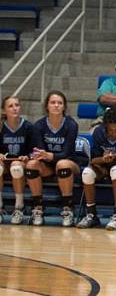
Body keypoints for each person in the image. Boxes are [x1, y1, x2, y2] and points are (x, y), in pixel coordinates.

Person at [77, 108, 116, 230]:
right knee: (87, 173)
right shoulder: (98, 132)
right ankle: (91, 213)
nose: (113, 133)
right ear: (105, 126)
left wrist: (113, 156)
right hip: (103, 166)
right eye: (110, 130)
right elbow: (93, 160)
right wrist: (104, 159)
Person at [26, 91, 80, 227]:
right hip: (48, 165)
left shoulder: (71, 124)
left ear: (64, 107)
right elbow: (40, 151)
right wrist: (42, 156)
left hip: (69, 162)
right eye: (53, 102)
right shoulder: (38, 125)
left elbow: (67, 152)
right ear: (47, 106)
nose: (56, 105)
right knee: (32, 164)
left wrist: (50, 156)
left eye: (59, 103)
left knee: (62, 164)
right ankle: (37, 208)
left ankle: (67, 208)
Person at [0, 96, 32, 225]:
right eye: (11, 106)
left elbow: (35, 149)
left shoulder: (28, 127)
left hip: (20, 164)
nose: (14, 108)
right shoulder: (1, 127)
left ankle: (19, 207)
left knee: (16, 166)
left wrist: (27, 156)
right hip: (3, 163)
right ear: (4, 110)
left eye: (17, 105)